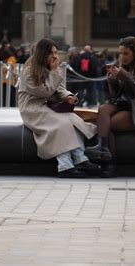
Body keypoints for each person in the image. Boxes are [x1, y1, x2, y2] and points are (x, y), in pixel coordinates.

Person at [18, 38, 100, 178]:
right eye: (51, 53)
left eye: (56, 52)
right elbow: (44, 91)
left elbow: (60, 88)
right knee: (61, 124)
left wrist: (68, 97)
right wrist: (55, 72)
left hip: (47, 106)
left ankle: (80, 158)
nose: (55, 56)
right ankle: (64, 165)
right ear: (42, 54)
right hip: (32, 108)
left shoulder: (51, 67)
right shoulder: (29, 70)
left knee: (73, 120)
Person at [84, 36, 135, 178]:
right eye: (120, 53)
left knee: (108, 125)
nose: (122, 57)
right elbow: (116, 94)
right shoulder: (123, 66)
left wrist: (124, 76)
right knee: (103, 109)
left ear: (134, 53)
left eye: (126, 53)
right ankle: (102, 147)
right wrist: (112, 81)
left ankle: (111, 164)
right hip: (124, 104)